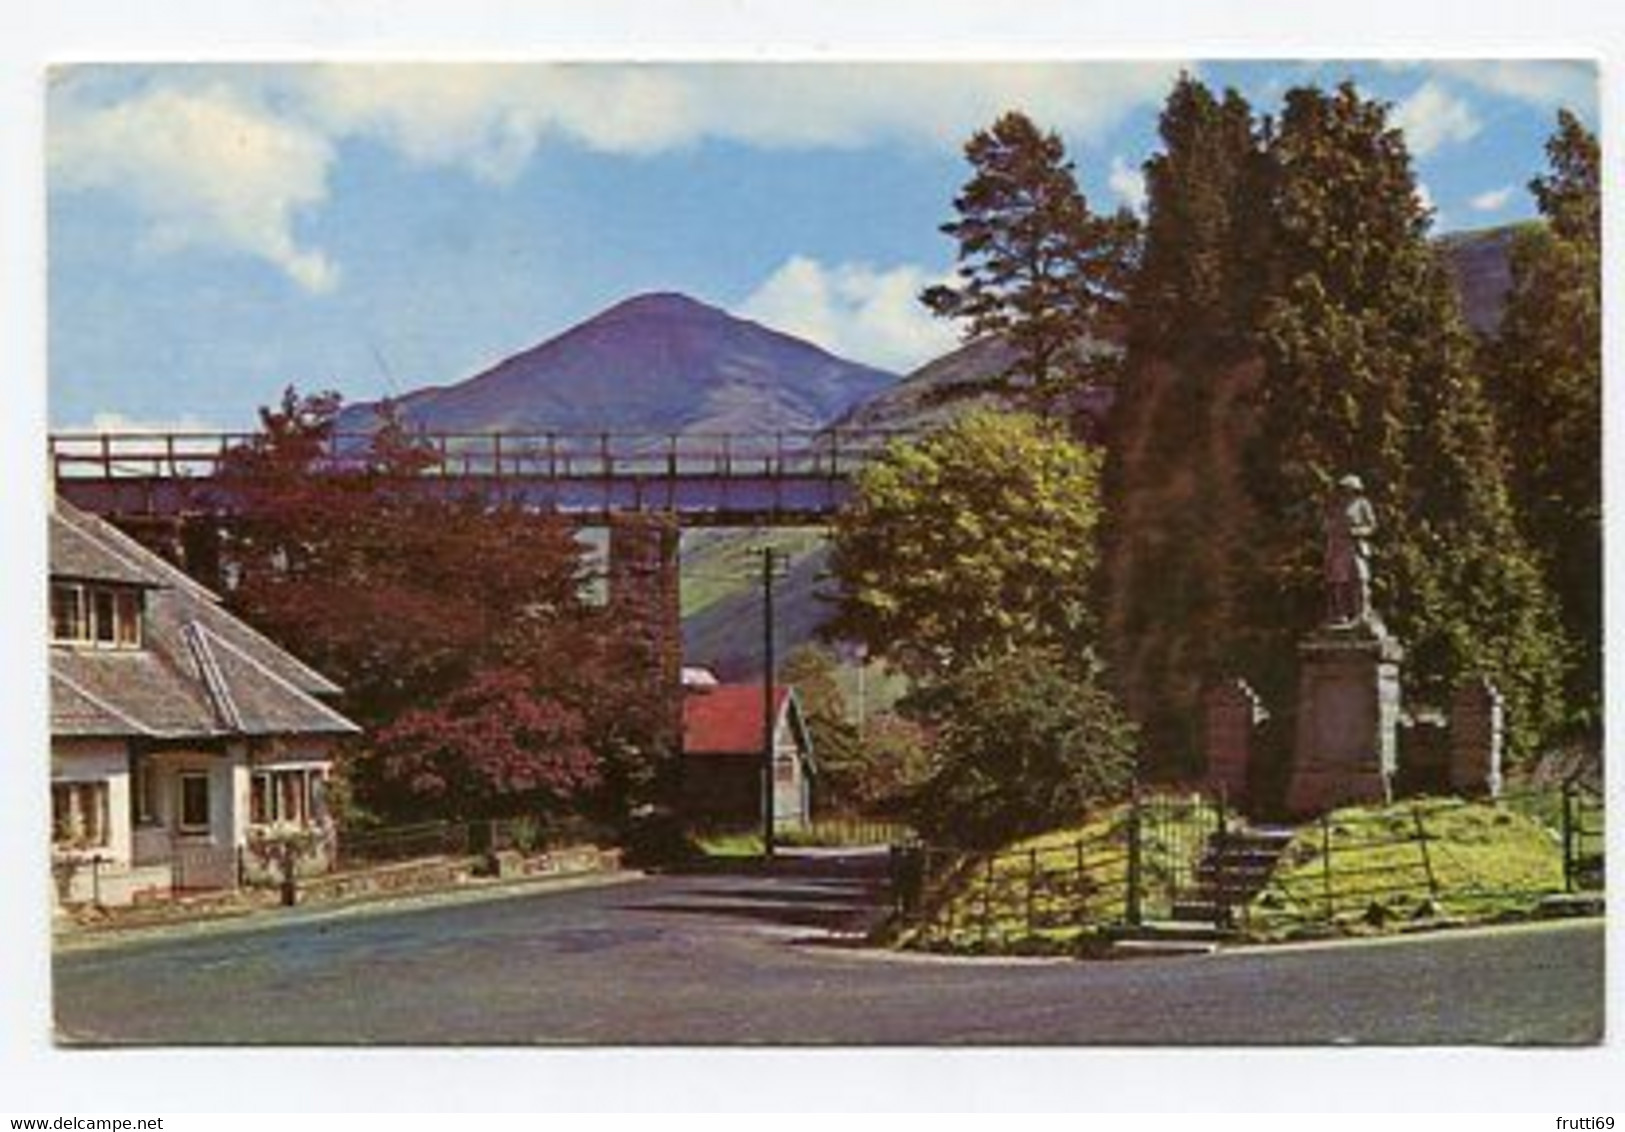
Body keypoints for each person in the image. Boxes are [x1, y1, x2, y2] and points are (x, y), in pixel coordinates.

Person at [1324, 473, 1377, 626]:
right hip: (1337, 548)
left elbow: (1372, 526)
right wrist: (1331, 528)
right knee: (1339, 581)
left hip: (1355, 546)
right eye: (1344, 488)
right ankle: (1340, 614)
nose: (1346, 491)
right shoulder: (1335, 505)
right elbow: (1326, 524)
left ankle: (1362, 612)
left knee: (1360, 579)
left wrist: (1357, 531)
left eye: (1349, 488)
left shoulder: (1362, 504)